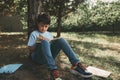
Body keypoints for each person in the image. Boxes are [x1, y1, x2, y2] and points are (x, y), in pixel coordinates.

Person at [27, 13, 92, 80]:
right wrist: (37, 43)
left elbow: (51, 48)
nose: (43, 28)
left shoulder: (49, 34)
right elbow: (30, 50)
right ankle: (53, 71)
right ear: (38, 24)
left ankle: (76, 65)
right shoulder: (34, 34)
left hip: (47, 59)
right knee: (44, 42)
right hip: (38, 58)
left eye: (46, 26)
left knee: (61, 40)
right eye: (42, 26)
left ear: (48, 26)